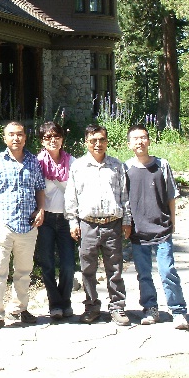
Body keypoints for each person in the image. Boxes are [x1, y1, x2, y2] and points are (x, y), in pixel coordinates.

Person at [0, 121, 46, 332]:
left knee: (24, 271)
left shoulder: (34, 162)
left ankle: (19, 308)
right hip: (3, 225)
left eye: (19, 134)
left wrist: (41, 209)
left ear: (25, 138)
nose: (16, 138)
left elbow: (40, 189)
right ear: (5, 138)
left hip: (28, 225)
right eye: (11, 134)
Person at [125, 124, 189, 330]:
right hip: (138, 232)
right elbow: (124, 200)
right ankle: (150, 309)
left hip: (162, 229)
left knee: (167, 271)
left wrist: (173, 222)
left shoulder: (162, 165)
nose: (140, 142)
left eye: (143, 137)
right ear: (129, 144)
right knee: (144, 274)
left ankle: (178, 311)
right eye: (135, 139)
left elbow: (171, 196)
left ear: (149, 140)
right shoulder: (126, 169)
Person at [65, 125, 131, 325]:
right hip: (88, 225)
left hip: (112, 224)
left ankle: (117, 307)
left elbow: (125, 196)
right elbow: (71, 196)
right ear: (86, 142)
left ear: (107, 141)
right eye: (93, 140)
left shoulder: (116, 166)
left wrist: (126, 221)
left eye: (101, 140)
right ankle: (92, 307)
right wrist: (72, 221)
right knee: (88, 269)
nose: (98, 144)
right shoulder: (78, 166)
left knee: (115, 268)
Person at [35, 121, 76, 320]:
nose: (53, 140)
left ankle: (65, 301)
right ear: (42, 141)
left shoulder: (73, 162)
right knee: (48, 263)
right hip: (46, 220)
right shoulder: (37, 162)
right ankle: (55, 304)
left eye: (56, 136)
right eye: (48, 137)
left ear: (62, 139)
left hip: (67, 219)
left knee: (68, 264)